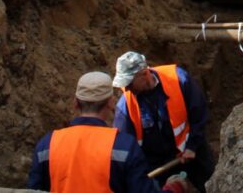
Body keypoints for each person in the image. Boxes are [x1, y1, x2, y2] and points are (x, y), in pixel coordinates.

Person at [27, 71, 190, 193]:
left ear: (75, 103)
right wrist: (174, 188)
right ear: (111, 103)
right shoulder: (124, 146)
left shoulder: (46, 145)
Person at [113, 52, 214, 192]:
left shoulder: (178, 80)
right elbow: (123, 144)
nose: (126, 88)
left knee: (211, 185)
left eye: (129, 83)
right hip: (157, 164)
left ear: (144, 73)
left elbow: (199, 113)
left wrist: (192, 146)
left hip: (191, 150)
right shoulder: (126, 105)